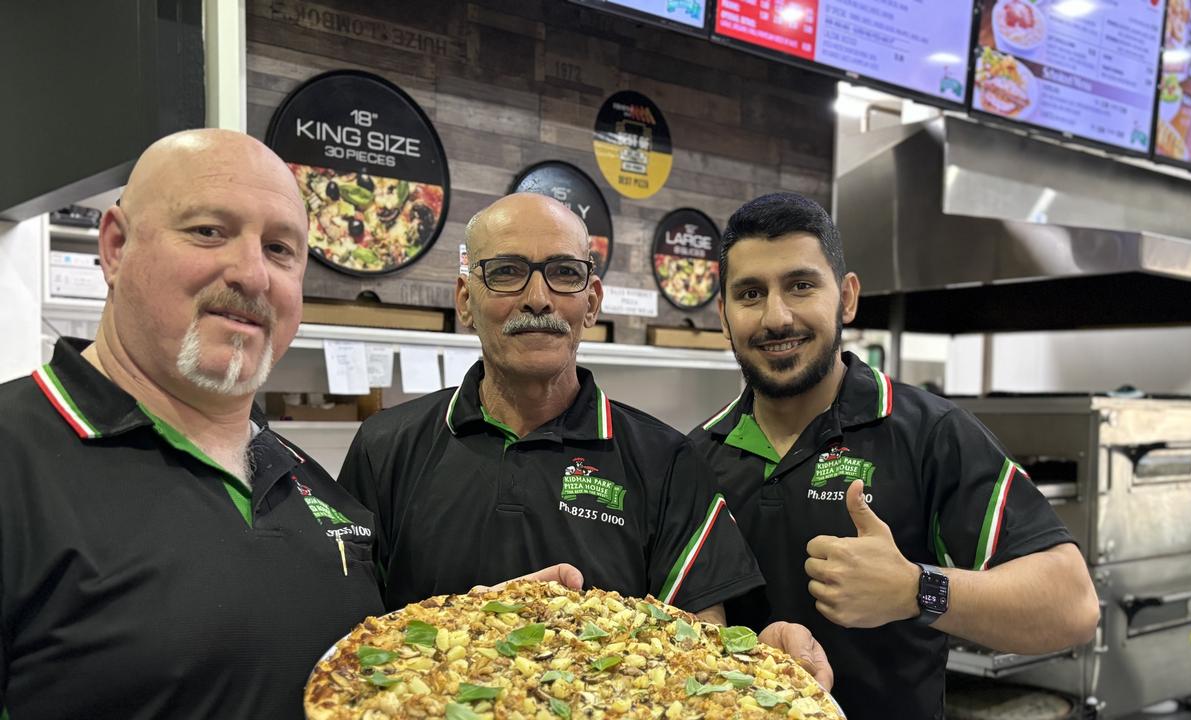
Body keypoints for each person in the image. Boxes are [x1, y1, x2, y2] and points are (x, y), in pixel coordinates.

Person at [0, 130, 577, 720]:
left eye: (280, 249)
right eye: (209, 231)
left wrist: (474, 637)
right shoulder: (15, 456)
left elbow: (353, 680)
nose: (252, 275)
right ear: (117, 247)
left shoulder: (319, 492)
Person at [337, 193, 833, 687]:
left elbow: (698, 649)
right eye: (507, 272)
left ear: (592, 302)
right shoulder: (385, 447)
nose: (538, 298)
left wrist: (749, 668)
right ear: (466, 300)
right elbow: (345, 637)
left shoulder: (667, 462)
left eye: (564, 273)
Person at [687, 192, 1100, 717]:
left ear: (848, 297)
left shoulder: (929, 433)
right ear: (724, 315)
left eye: (801, 285)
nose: (776, 316)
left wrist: (916, 589)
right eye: (750, 293)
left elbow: (1073, 605)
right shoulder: (694, 458)